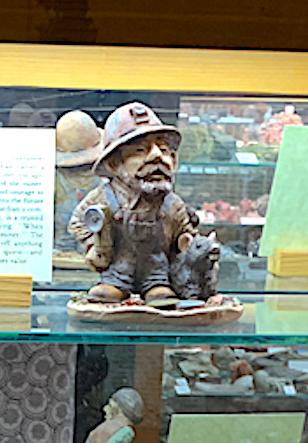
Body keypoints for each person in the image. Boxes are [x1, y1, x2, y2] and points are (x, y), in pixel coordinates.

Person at [70, 101, 219, 305]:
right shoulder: (104, 197)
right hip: (117, 270)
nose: (157, 156)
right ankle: (116, 287)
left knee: (160, 293)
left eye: (164, 150)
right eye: (140, 150)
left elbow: (185, 233)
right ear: (114, 163)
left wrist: (188, 247)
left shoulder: (172, 204)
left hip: (157, 272)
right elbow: (78, 222)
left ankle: (156, 288)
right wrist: (94, 246)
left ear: (174, 160)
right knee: (108, 291)